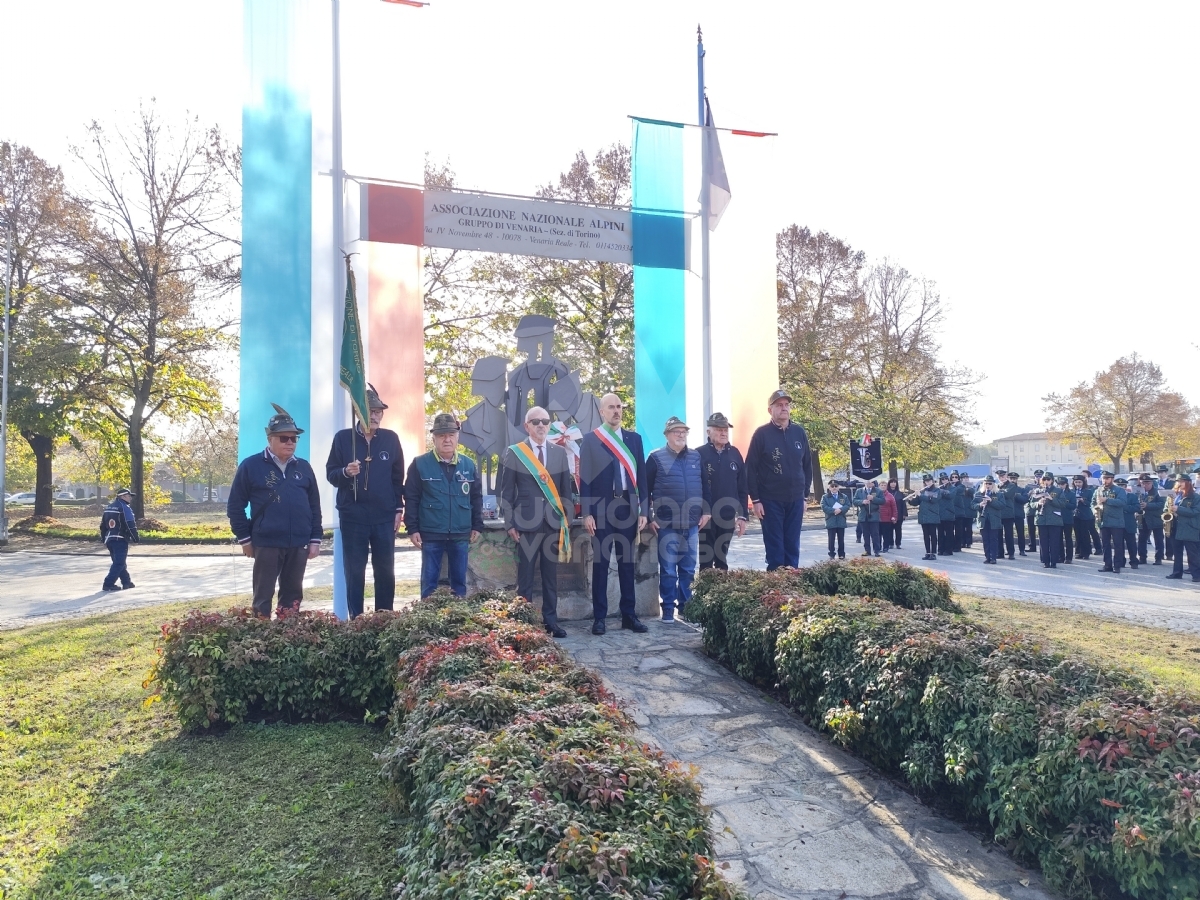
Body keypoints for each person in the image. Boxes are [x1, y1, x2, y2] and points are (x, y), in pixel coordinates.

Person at [227, 404, 324, 618]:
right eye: (284, 438)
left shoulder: (304, 467)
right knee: (262, 597)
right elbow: (235, 506)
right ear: (270, 438)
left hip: (298, 543)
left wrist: (315, 539)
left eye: (294, 438)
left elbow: (314, 506)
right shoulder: (251, 466)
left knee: (293, 596)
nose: (290, 443)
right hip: (266, 542)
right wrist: (245, 539)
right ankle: (261, 642)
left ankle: (288, 640)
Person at [325, 385, 405, 618]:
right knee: (354, 571)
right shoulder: (343, 439)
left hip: (384, 516)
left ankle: (384, 618)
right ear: (358, 412)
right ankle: (356, 620)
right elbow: (331, 474)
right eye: (370, 410)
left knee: (385, 571)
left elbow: (397, 477)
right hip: (353, 516)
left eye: (379, 411)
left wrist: (398, 508)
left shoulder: (391, 439)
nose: (375, 415)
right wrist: (345, 473)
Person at [499, 406, 574, 637]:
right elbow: (506, 492)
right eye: (536, 422)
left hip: (552, 524)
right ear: (527, 426)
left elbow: (565, 492)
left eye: (545, 421)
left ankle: (551, 621)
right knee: (526, 578)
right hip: (525, 524)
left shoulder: (559, 453)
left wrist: (566, 520)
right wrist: (510, 523)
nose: (541, 425)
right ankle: (525, 624)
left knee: (551, 577)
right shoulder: (515, 452)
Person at [579, 393, 649, 634]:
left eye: (619, 406)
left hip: (627, 509)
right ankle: (600, 617)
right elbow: (584, 479)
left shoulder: (634, 439)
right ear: (602, 411)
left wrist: (644, 510)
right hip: (600, 511)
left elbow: (642, 477)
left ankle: (628, 615)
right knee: (600, 564)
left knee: (627, 564)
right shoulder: (591, 440)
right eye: (611, 407)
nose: (616, 411)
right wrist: (586, 513)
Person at [403, 413, 483, 598]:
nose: (447, 439)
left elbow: (476, 497)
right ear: (434, 438)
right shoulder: (419, 464)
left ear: (457, 437)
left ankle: (458, 621)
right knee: (429, 583)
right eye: (441, 435)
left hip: (460, 533)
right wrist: (412, 528)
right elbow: (412, 498)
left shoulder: (468, 465)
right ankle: (428, 622)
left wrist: (477, 525)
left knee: (459, 583)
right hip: (430, 533)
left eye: (451, 435)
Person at [647, 416, 710, 622]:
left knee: (688, 570)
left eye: (684, 431)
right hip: (667, 525)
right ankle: (667, 609)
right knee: (667, 571)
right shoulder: (655, 458)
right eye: (676, 431)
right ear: (667, 435)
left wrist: (706, 511)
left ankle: (686, 608)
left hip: (692, 524)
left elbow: (705, 486)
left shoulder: (695, 457)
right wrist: (648, 516)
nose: (681, 434)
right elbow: (644, 490)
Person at [746, 389, 813, 570]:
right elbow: (750, 469)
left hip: (795, 499)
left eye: (786, 405)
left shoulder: (799, 433)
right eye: (779, 405)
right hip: (770, 500)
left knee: (792, 544)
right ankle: (776, 587)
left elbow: (807, 466)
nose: (784, 408)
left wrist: (805, 496)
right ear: (770, 410)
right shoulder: (761, 434)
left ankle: (792, 583)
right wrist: (756, 500)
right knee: (775, 546)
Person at [697, 411, 748, 571]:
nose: (723, 432)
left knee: (721, 558)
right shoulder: (698, 454)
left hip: (727, 515)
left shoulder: (735, 454)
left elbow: (742, 486)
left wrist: (742, 515)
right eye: (719, 429)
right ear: (708, 432)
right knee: (706, 560)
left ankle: (720, 593)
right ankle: (705, 594)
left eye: (725, 429)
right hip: (706, 516)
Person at [100, 488, 139, 591]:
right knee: (119, 563)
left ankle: (126, 582)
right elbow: (130, 524)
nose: (130, 498)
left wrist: (103, 538)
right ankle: (108, 584)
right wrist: (135, 538)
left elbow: (103, 525)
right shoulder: (125, 507)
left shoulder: (109, 507)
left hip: (109, 539)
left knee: (119, 562)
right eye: (128, 495)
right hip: (120, 539)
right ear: (122, 496)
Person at [1165, 474, 1199, 582]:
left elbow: (1195, 512)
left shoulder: (1195, 497)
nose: (1179, 483)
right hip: (1175, 526)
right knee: (1177, 552)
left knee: (1192, 553)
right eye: (1178, 481)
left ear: (1188, 483)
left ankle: (1196, 575)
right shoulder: (1174, 495)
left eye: (1182, 481)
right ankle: (1177, 572)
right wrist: (1167, 511)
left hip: (1189, 528)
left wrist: (1178, 509)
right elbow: (1166, 508)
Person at [1093, 471, 1128, 574]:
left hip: (1116, 521)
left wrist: (1107, 500)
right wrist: (1094, 510)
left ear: (1112, 479)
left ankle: (1117, 565)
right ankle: (1107, 565)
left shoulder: (1119, 490)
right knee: (1105, 544)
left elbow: (1122, 502)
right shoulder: (1099, 490)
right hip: (1103, 521)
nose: (1105, 481)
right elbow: (1093, 502)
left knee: (1118, 545)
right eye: (1103, 478)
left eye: (1107, 479)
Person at [973, 475, 1010, 564]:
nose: (988, 485)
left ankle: (993, 557)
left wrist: (991, 501)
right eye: (986, 483)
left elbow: (1002, 505)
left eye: (990, 483)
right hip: (983, 520)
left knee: (993, 539)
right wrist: (980, 505)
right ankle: (987, 557)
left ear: (993, 484)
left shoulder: (999, 494)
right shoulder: (978, 494)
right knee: (985, 539)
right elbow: (972, 505)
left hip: (994, 520)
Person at [1032, 471, 1065, 568]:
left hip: (1054, 519)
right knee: (1043, 542)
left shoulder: (1058, 491)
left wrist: (1051, 499)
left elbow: (1063, 504)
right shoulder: (1038, 491)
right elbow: (1030, 504)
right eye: (1044, 479)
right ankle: (1046, 561)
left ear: (1052, 480)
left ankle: (1054, 561)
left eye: (1048, 479)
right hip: (1041, 519)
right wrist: (1038, 503)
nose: (1046, 481)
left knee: (1054, 541)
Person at [908, 474, 941, 560]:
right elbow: (917, 502)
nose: (928, 482)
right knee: (926, 535)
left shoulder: (937, 490)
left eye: (929, 481)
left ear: (932, 481)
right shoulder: (922, 491)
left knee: (933, 535)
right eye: (926, 481)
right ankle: (927, 552)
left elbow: (932, 500)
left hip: (933, 515)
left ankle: (933, 553)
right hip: (923, 516)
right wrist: (911, 499)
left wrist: (920, 495)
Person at [1136, 473, 1166, 566]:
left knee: (1158, 539)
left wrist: (1147, 505)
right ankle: (1142, 557)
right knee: (1142, 539)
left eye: (1148, 483)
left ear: (1152, 483)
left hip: (1156, 518)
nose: (1145, 485)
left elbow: (1161, 504)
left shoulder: (1158, 492)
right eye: (1143, 483)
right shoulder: (1139, 492)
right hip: (1143, 519)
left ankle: (1158, 558)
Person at [854, 478, 884, 557]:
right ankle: (867, 550)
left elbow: (883, 501)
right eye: (868, 481)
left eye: (871, 481)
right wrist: (862, 502)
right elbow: (854, 501)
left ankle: (877, 551)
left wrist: (873, 498)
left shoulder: (878, 491)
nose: (869, 483)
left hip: (874, 515)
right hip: (863, 516)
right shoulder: (859, 491)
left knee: (875, 534)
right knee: (865, 534)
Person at [1115, 478, 1141, 570]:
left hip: (1129, 523)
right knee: (1119, 544)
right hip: (1117, 524)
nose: (1120, 488)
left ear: (1126, 487)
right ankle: (1121, 561)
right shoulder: (1113, 497)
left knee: (1131, 544)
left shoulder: (1132, 496)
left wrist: (1124, 507)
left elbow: (1137, 507)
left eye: (1122, 486)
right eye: (1118, 486)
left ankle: (1134, 561)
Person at [821, 479, 850, 559]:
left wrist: (841, 510)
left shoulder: (843, 496)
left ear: (838, 487)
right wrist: (834, 511)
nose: (834, 488)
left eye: (836, 486)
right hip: (831, 520)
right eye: (832, 486)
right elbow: (824, 507)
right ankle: (831, 554)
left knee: (841, 539)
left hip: (841, 520)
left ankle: (841, 554)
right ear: (829, 488)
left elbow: (847, 505)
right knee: (831, 539)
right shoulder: (825, 497)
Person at [1072, 474, 1097, 561]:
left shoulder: (1088, 491)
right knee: (1077, 534)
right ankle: (1078, 552)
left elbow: (1092, 502)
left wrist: (1083, 500)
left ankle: (1086, 552)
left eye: (1079, 482)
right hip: (1076, 515)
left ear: (1083, 482)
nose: (1078, 484)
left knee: (1085, 534)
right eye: (1076, 482)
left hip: (1085, 515)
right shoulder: (1072, 491)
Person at [997, 471, 1020, 560]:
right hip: (999, 513)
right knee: (998, 534)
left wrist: (999, 491)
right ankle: (1000, 553)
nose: (1001, 478)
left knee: (1008, 534)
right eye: (1000, 477)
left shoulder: (1011, 485)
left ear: (1006, 476)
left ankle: (1011, 553)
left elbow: (1006, 494)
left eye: (1003, 476)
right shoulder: (997, 486)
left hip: (1008, 513)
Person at [1055, 476, 1075, 564]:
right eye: (1059, 484)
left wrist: (1064, 503)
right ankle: (1060, 556)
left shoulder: (1071, 493)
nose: (1060, 486)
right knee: (1058, 538)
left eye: (1062, 484)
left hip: (1067, 518)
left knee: (1068, 538)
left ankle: (1069, 557)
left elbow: (1073, 506)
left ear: (1066, 484)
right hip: (1057, 518)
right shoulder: (1055, 493)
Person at [937, 472, 957, 556]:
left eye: (946, 479)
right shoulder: (938, 489)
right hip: (940, 513)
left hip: (949, 513)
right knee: (940, 533)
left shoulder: (953, 488)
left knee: (949, 533)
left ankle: (949, 550)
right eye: (942, 479)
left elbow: (951, 496)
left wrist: (942, 491)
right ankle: (941, 549)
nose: (944, 480)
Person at [1025, 469, 1043, 553]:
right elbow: (1025, 497)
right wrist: (1029, 493)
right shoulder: (1029, 485)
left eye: (1040, 476)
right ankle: (1032, 545)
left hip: (1041, 509)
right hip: (1031, 509)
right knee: (1031, 528)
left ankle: (1042, 546)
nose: (1038, 478)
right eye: (1037, 476)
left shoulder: (1045, 485)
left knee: (1041, 529)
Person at [879, 482, 898, 551]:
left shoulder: (890, 496)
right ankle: (878, 547)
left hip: (887, 518)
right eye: (881, 485)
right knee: (877, 534)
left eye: (884, 485)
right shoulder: (875, 495)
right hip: (877, 518)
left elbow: (894, 507)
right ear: (879, 486)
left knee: (886, 534)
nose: (883, 486)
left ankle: (885, 547)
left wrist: (894, 516)